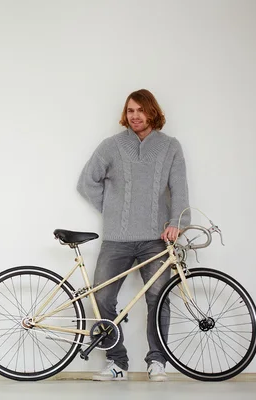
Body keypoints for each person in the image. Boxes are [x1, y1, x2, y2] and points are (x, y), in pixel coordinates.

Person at [77, 89, 190, 382]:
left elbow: (179, 188)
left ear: (153, 112)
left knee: (158, 299)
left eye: (140, 110)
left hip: (156, 238)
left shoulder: (170, 147)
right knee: (102, 297)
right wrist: (112, 209)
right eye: (130, 111)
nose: (135, 116)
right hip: (116, 238)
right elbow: (87, 181)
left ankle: (157, 361)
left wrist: (178, 222)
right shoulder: (111, 146)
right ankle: (117, 362)